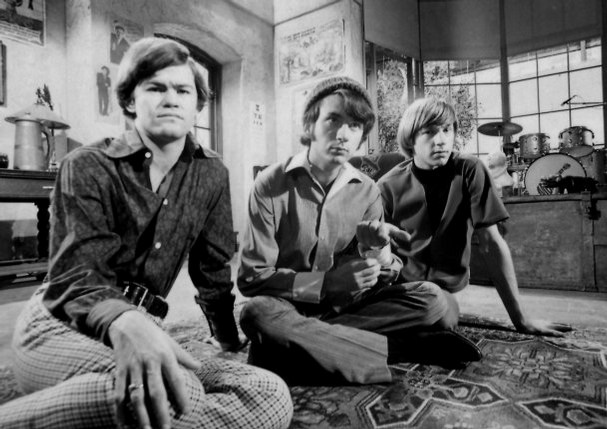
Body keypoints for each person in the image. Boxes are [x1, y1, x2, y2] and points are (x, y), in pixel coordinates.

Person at [0, 37, 292, 429]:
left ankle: (103, 410)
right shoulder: (87, 165)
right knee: (175, 393)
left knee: (270, 393)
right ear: (131, 99)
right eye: (155, 88)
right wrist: (125, 320)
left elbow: (212, 267)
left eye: (182, 90)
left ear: (197, 104)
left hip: (147, 326)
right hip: (62, 324)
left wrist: (227, 338)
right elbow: (78, 277)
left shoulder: (211, 173)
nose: (171, 99)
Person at [238, 77, 481, 386]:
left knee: (433, 299)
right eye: (332, 120)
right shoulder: (270, 184)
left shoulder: (368, 191)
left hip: (348, 308)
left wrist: (377, 253)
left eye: (353, 125)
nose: (343, 134)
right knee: (256, 313)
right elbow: (251, 278)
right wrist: (324, 284)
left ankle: (300, 345)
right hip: (287, 306)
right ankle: (399, 348)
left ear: (362, 136)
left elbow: (384, 275)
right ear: (310, 125)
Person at [377, 97, 573, 338]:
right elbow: (377, 250)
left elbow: (491, 242)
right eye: (429, 132)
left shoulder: (471, 169)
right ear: (410, 139)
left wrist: (521, 319)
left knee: (441, 314)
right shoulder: (386, 186)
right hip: (399, 288)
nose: (441, 140)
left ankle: (366, 328)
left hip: (441, 293)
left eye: (446, 130)